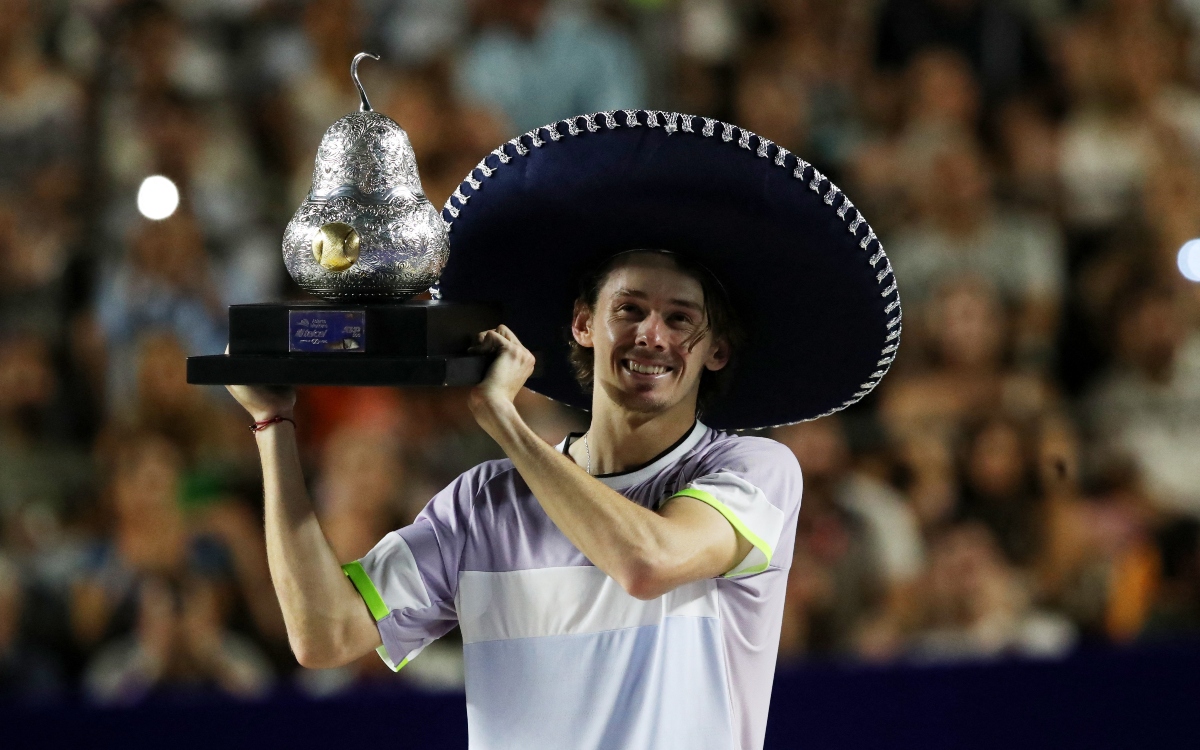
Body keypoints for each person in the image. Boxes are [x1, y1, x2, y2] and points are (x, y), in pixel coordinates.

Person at [223, 108, 900, 749]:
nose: (651, 336)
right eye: (628, 308)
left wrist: (508, 428)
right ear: (582, 324)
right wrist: (272, 422)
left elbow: (647, 562)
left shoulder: (750, 470)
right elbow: (325, 635)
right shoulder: (482, 505)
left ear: (715, 349)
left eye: (681, 318)